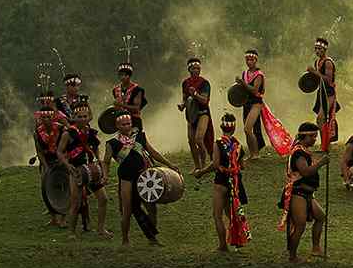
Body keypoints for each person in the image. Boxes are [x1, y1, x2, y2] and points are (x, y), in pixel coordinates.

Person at [102, 111, 178, 246]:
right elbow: (106, 161)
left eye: (129, 123)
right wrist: (105, 175)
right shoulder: (112, 143)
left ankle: (152, 238)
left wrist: (169, 164)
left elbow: (153, 152)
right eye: (123, 124)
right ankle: (125, 240)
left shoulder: (140, 136)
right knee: (127, 210)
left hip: (143, 175)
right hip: (126, 178)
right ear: (117, 126)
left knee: (151, 207)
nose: (127, 126)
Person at [194, 113, 250, 252]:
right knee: (231, 213)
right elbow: (242, 166)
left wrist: (201, 172)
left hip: (221, 182)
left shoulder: (218, 143)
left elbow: (215, 164)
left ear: (221, 126)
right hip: (234, 183)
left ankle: (223, 245)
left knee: (217, 215)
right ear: (234, 128)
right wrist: (234, 165)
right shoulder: (238, 145)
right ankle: (237, 242)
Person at [57, 99, 110, 238]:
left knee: (103, 199)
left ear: (89, 117)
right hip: (77, 171)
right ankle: (71, 232)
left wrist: (100, 166)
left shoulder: (91, 133)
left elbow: (97, 151)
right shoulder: (68, 133)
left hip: (92, 170)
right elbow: (59, 152)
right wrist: (68, 166)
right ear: (73, 117)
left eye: (85, 116)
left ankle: (101, 229)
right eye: (79, 117)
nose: (82, 119)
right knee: (76, 203)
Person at [281, 123, 328, 262]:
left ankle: (315, 248)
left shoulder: (303, 150)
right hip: (298, 193)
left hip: (307, 193)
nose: (315, 139)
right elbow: (305, 172)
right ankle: (293, 256)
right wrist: (321, 163)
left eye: (316, 136)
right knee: (300, 225)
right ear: (304, 136)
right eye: (312, 136)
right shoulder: (298, 153)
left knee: (320, 217)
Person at [33, 92, 66, 227]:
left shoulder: (61, 129)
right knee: (46, 188)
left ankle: (63, 218)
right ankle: (53, 218)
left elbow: (65, 148)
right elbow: (39, 151)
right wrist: (45, 165)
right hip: (47, 160)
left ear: (53, 117)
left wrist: (62, 161)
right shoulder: (37, 132)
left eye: (49, 117)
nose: (46, 119)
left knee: (65, 187)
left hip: (61, 160)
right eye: (44, 117)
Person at [180, 57, 214, 174]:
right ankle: (197, 166)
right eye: (194, 68)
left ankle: (204, 165)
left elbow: (204, 100)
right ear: (189, 69)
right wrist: (182, 105)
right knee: (191, 141)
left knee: (199, 139)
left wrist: (195, 94)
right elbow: (185, 99)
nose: (196, 70)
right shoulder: (185, 83)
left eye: (198, 68)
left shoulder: (205, 83)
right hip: (191, 114)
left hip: (203, 113)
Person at [235, 49, 265, 159]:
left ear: (255, 60)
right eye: (247, 59)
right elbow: (242, 90)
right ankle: (252, 153)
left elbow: (254, 90)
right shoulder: (245, 73)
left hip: (256, 103)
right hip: (246, 103)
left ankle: (256, 153)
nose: (249, 62)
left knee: (248, 129)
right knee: (247, 130)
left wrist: (242, 83)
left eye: (251, 59)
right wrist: (238, 84)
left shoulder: (259, 75)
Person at [308, 37, 340, 140]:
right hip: (321, 92)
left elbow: (328, 79)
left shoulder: (328, 62)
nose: (317, 51)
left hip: (329, 93)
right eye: (316, 48)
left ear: (325, 50)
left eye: (320, 49)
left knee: (321, 118)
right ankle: (325, 144)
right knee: (322, 119)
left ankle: (325, 145)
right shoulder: (317, 62)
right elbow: (318, 80)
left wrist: (314, 72)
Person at [112, 62, 147, 131]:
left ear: (129, 76)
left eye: (125, 75)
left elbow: (136, 108)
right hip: (121, 121)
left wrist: (122, 105)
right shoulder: (115, 90)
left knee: (136, 140)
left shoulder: (137, 90)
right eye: (120, 75)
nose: (122, 77)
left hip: (134, 121)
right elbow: (117, 106)